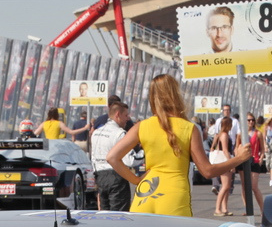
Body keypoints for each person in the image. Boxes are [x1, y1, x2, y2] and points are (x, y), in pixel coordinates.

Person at [106, 73, 248, 217]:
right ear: (175, 94)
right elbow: (207, 171)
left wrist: (136, 180)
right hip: (174, 196)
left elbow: (112, 157)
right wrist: (239, 158)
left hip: (145, 195)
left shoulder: (141, 126)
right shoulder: (189, 128)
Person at [91, 100, 132, 211]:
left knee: (105, 215)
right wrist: (145, 154)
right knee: (119, 215)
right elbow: (130, 160)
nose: (128, 119)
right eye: (126, 115)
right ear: (118, 114)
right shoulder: (119, 133)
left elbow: (93, 157)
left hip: (100, 177)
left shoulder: (96, 132)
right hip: (116, 177)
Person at [211, 117, 236, 216]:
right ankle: (217, 209)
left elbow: (214, 147)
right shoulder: (224, 135)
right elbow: (225, 150)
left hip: (223, 160)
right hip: (224, 161)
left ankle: (224, 208)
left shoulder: (221, 134)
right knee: (225, 186)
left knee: (227, 186)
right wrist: (231, 162)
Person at [247, 116, 267, 210]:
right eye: (249, 120)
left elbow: (262, 149)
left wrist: (261, 158)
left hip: (255, 160)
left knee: (254, 187)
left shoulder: (258, 133)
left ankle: (262, 209)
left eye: (252, 120)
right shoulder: (242, 133)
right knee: (245, 187)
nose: (251, 122)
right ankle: (247, 208)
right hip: (244, 161)